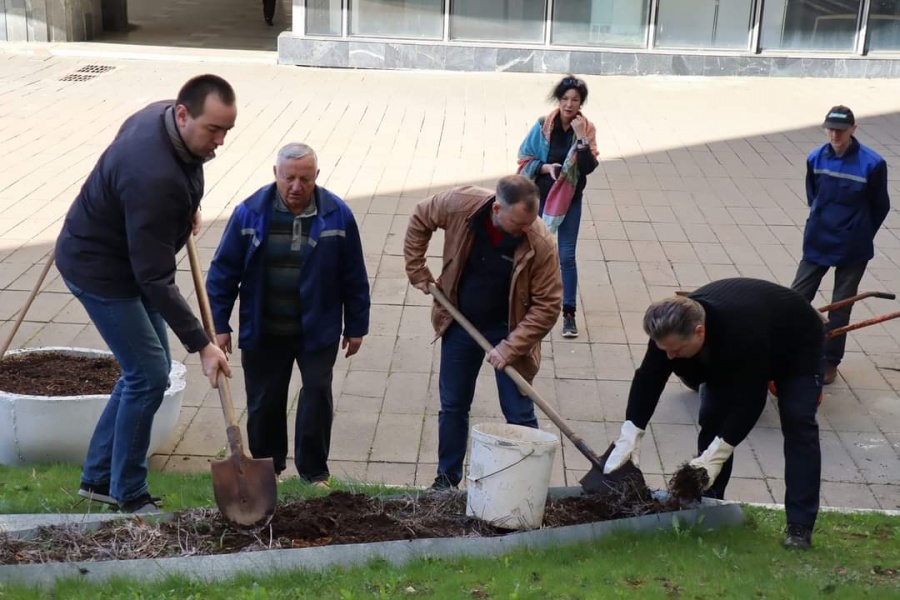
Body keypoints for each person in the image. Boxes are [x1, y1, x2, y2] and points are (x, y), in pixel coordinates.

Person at [55, 74, 236, 513]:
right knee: (149, 375)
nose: (220, 141)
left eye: (227, 130)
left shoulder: (161, 117)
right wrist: (203, 345)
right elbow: (155, 279)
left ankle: (99, 477)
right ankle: (129, 493)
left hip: (130, 260)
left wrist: (187, 209)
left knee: (145, 372)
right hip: (100, 270)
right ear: (183, 114)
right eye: (214, 130)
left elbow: (173, 182)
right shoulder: (153, 177)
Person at [603, 278, 825, 550]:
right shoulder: (669, 331)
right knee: (712, 418)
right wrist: (630, 434)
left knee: (798, 422)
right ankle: (708, 503)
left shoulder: (742, 333)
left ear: (699, 332)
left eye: (676, 350)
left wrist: (719, 453)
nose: (669, 357)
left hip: (796, 345)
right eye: (665, 350)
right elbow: (649, 378)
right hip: (733, 348)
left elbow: (751, 400)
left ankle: (800, 526)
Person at [206, 143, 370, 487]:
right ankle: (269, 470)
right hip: (264, 328)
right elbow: (222, 273)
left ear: (317, 176)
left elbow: (354, 274)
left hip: (317, 329)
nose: (296, 187)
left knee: (317, 394)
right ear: (276, 174)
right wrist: (219, 325)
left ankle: (314, 473)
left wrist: (356, 325)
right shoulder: (248, 213)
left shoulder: (337, 214)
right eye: (289, 178)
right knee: (264, 401)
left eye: (305, 179)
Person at [404, 175, 562, 490]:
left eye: (530, 222)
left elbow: (548, 306)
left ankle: (528, 486)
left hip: (510, 331)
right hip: (461, 321)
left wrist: (511, 346)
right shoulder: (460, 205)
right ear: (497, 208)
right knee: (453, 405)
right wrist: (416, 268)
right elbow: (421, 215)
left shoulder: (540, 241)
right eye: (519, 223)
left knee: (519, 412)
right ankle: (446, 480)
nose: (526, 229)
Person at [790, 105, 890, 385]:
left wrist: (861, 231)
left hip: (853, 246)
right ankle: (789, 348)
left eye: (841, 130)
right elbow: (813, 195)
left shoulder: (872, 163)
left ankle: (830, 360)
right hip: (818, 239)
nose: (835, 135)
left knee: (840, 306)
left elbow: (880, 205)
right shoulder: (816, 158)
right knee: (796, 297)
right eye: (831, 129)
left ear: (853, 130)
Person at [517, 75, 599, 338]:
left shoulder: (586, 129)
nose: (569, 104)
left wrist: (581, 138)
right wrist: (545, 167)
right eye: (565, 99)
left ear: (581, 103)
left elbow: (588, 167)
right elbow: (524, 157)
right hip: (540, 198)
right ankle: (525, 307)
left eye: (575, 100)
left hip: (570, 200)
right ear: (558, 100)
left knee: (566, 256)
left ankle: (569, 314)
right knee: (532, 252)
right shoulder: (543, 125)